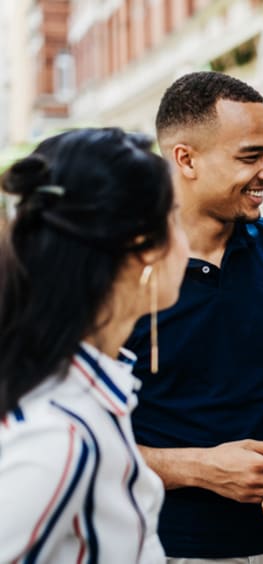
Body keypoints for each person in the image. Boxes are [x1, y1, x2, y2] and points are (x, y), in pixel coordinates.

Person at [125, 71, 263, 562]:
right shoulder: (114, 267)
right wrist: (200, 468)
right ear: (186, 159)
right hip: (166, 546)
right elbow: (80, 444)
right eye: (250, 156)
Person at [0, 127, 189, 562]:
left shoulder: (95, 388)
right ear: (142, 247)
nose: (186, 242)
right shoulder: (61, 438)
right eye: (174, 218)